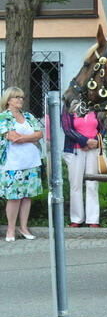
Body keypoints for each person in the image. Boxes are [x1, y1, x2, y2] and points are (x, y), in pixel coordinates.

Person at [1, 87, 44, 242]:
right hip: (13, 162)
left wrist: (24, 138)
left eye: (22, 97)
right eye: (16, 97)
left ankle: (23, 227)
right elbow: (12, 137)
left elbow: (40, 134)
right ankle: (11, 228)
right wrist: (30, 137)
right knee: (14, 197)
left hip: (31, 160)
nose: (20, 100)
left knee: (27, 195)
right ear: (8, 100)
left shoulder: (28, 116)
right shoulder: (4, 117)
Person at [61, 108, 103, 227]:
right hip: (74, 149)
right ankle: (76, 218)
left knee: (93, 184)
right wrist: (84, 141)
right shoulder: (68, 109)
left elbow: (103, 127)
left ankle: (93, 220)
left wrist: (94, 142)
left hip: (93, 150)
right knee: (75, 184)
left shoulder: (96, 107)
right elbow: (67, 129)